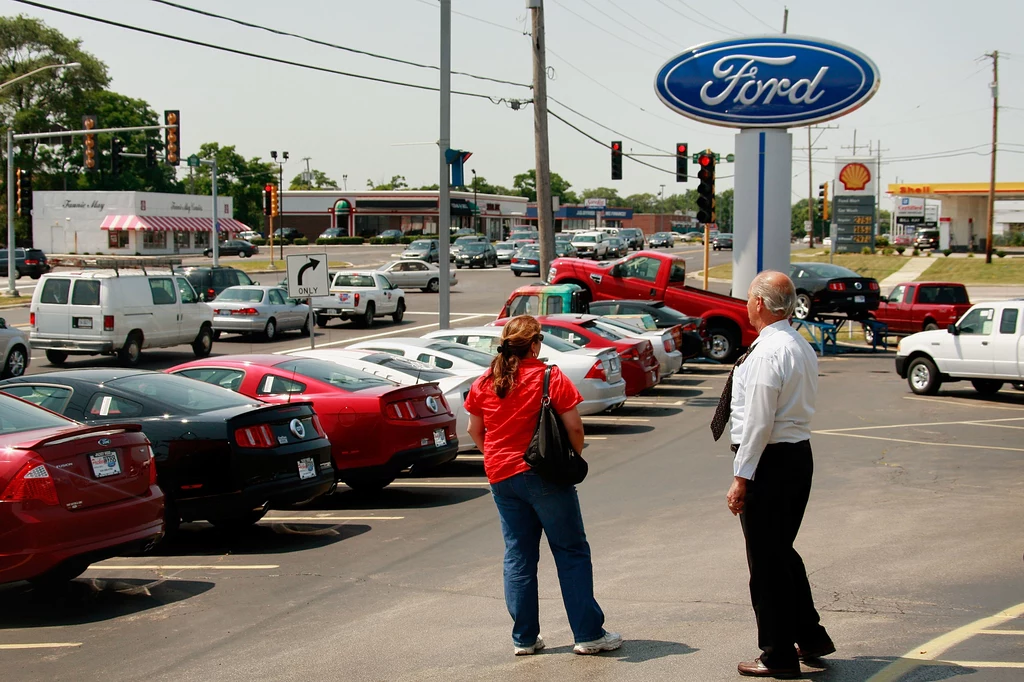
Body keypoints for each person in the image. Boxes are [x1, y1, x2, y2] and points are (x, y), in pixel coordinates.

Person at [464, 315, 622, 657]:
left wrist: (497, 457)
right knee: (570, 551)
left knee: (519, 555)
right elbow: (575, 428)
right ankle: (588, 634)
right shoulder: (549, 377)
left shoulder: (484, 383)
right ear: (534, 345)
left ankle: (524, 638)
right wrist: (570, 462)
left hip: (501, 478)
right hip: (545, 475)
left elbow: (475, 431)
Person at [710, 271, 835, 678]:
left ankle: (777, 655)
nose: (746, 304)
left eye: (748, 298)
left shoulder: (767, 353)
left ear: (760, 304)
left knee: (766, 564)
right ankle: (810, 637)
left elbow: (760, 423)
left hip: (771, 460)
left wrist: (741, 478)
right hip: (795, 456)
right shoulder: (796, 343)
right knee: (781, 553)